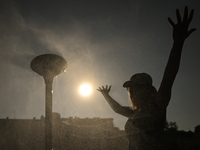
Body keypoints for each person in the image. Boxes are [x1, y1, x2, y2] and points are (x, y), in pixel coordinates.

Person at [97, 6, 196, 150]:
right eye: (130, 89)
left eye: (136, 88)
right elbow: (117, 109)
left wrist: (178, 43)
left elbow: (169, 75)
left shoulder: (158, 104)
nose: (131, 92)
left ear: (148, 89)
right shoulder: (134, 113)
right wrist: (106, 95)